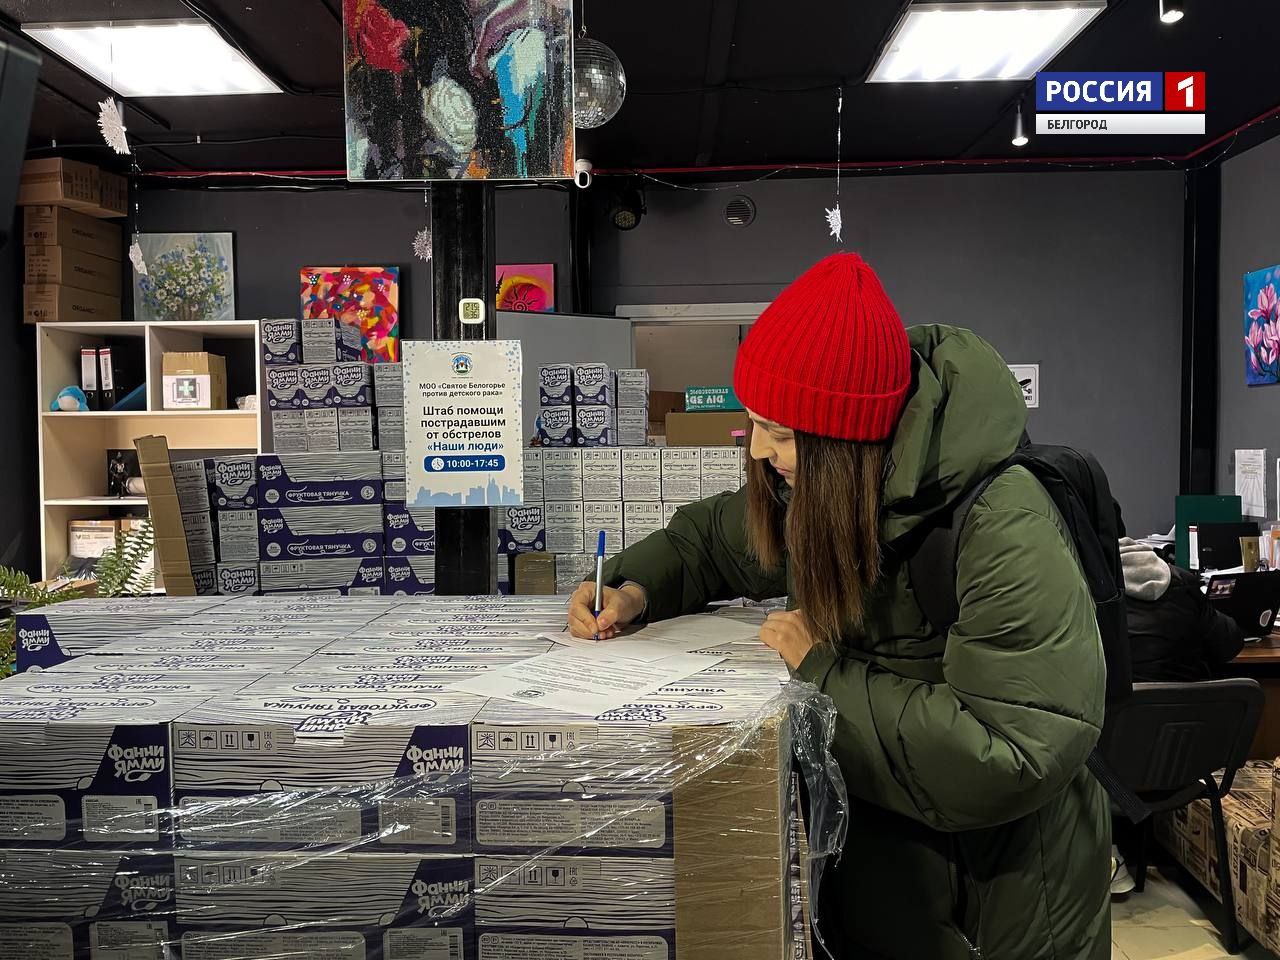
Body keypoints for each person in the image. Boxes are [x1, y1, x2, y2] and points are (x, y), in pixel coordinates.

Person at [569, 253, 1110, 960]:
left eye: (781, 432)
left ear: (846, 437)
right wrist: (633, 587)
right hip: (889, 871)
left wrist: (823, 673)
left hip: (1001, 898)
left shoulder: (1002, 522)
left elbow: (1014, 751)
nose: (758, 449)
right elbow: (714, 540)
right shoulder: (825, 491)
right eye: (755, 423)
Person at [1120, 537, 1245, 682]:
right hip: (1191, 694)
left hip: (1124, 695)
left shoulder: (1103, 592)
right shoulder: (1183, 582)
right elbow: (1229, 645)